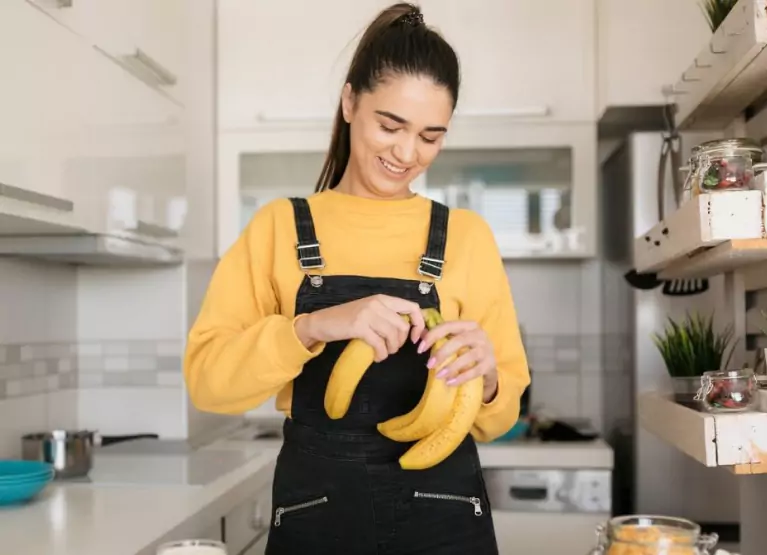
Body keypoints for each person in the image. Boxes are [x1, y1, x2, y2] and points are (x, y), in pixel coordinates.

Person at [184, 3, 530, 554]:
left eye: (430, 136)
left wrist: (487, 377)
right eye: (390, 125)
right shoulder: (279, 227)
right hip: (317, 508)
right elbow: (207, 381)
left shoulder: (466, 236)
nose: (406, 153)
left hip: (444, 511)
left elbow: (498, 414)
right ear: (350, 102)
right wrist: (313, 326)